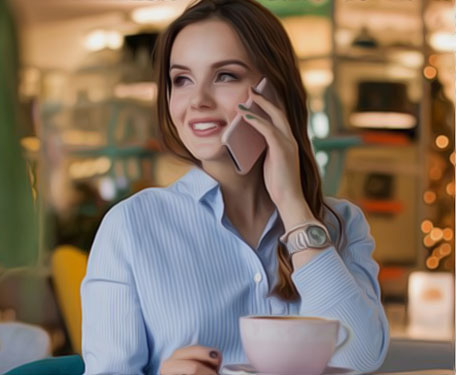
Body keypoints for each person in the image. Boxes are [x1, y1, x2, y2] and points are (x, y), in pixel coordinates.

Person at [81, 0, 389, 374]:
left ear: (273, 90)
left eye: (225, 75)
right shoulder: (131, 226)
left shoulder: (340, 222)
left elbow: (359, 361)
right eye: (181, 80)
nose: (197, 101)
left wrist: (292, 205)